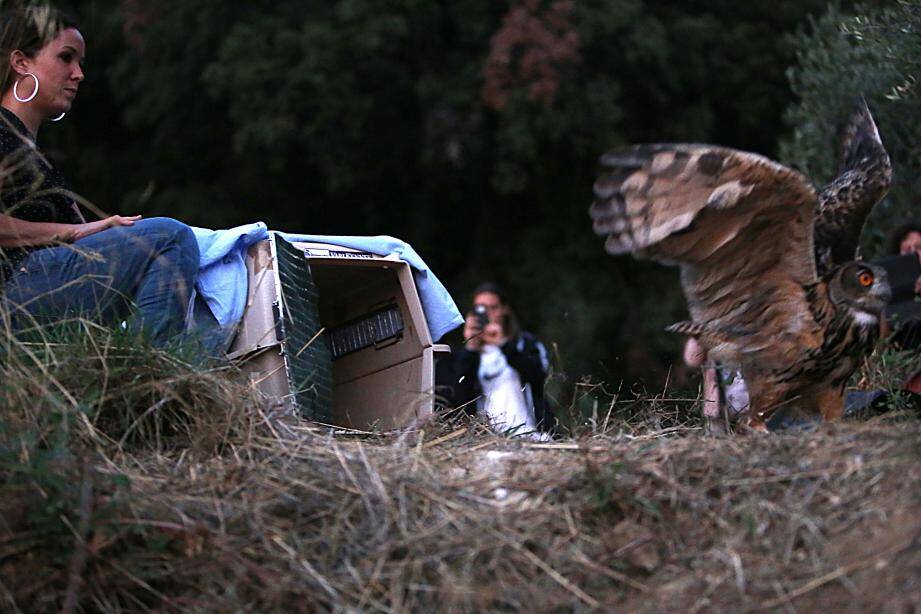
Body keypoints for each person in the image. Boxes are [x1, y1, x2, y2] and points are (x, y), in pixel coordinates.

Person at [0, 6, 198, 346]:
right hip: (12, 290)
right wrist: (77, 230)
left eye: (80, 62)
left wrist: (103, 232)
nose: (78, 74)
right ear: (22, 63)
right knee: (169, 238)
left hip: (36, 287)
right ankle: (149, 373)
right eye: (66, 58)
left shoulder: (38, 158)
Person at [437, 282, 553, 437]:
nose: (488, 314)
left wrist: (503, 344)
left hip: (530, 431)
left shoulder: (525, 344)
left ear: (505, 309)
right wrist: (471, 347)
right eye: (481, 309)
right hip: (489, 437)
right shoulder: (466, 355)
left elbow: (537, 375)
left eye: (493, 307)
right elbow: (457, 394)